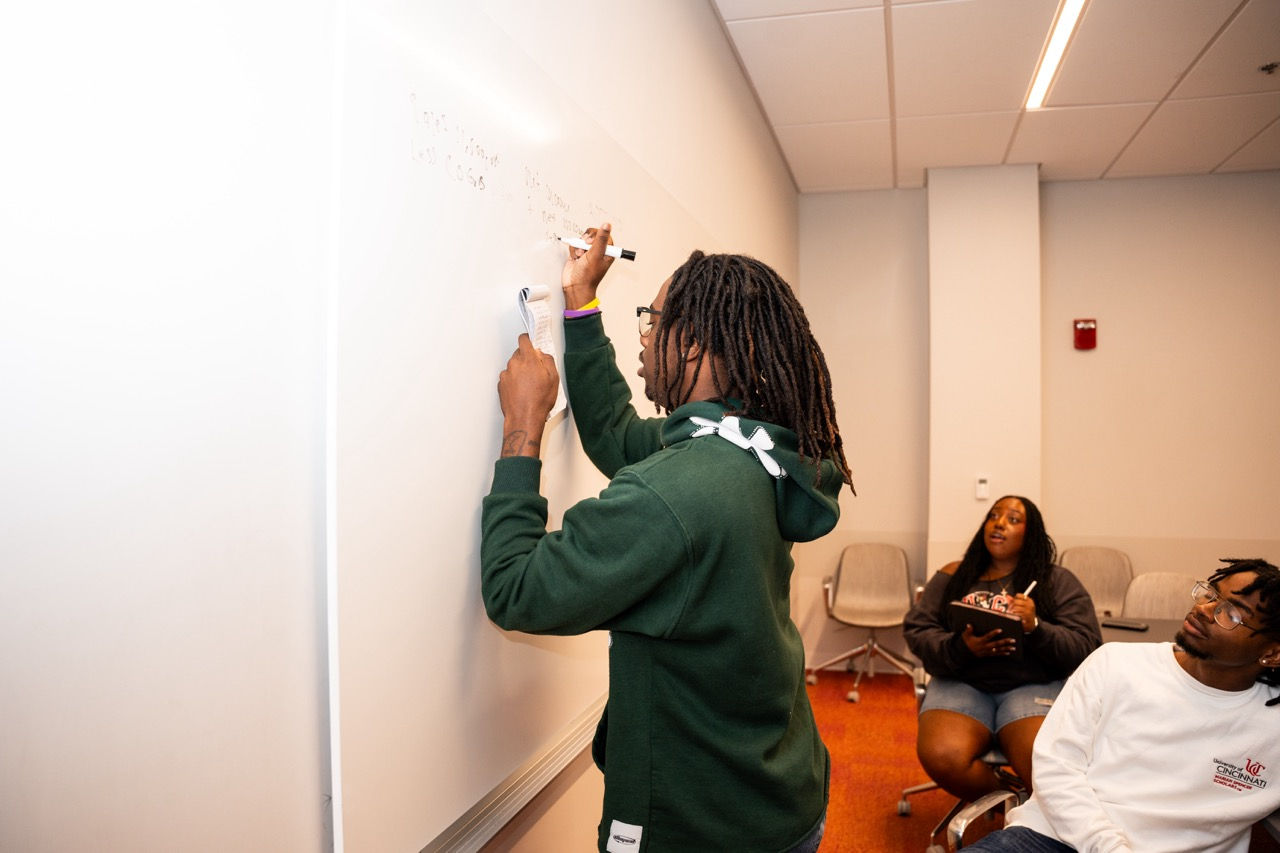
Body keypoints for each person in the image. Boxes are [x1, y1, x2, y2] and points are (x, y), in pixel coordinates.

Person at [480, 224, 854, 853]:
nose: (645, 338)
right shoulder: (752, 448)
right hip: (778, 794)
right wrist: (580, 303)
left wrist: (522, 430)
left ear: (699, 344)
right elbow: (618, 437)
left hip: (702, 830)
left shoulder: (674, 494)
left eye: (653, 321)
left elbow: (516, 590)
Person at [964, 558, 1280, 853]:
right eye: (1210, 594)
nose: (1204, 609)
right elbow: (1056, 769)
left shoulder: (1271, 724)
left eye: (1232, 612)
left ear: (1272, 654)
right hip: (1054, 837)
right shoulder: (1116, 663)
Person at [903, 496, 1102, 801]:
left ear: (1030, 533)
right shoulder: (953, 576)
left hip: (1032, 685)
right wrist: (961, 648)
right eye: (994, 516)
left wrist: (1035, 627)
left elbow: (1087, 646)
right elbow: (918, 631)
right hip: (962, 682)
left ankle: (1038, 815)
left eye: (1012, 519)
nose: (998, 523)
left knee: (1045, 770)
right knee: (943, 755)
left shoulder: (1056, 581)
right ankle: (1010, 802)